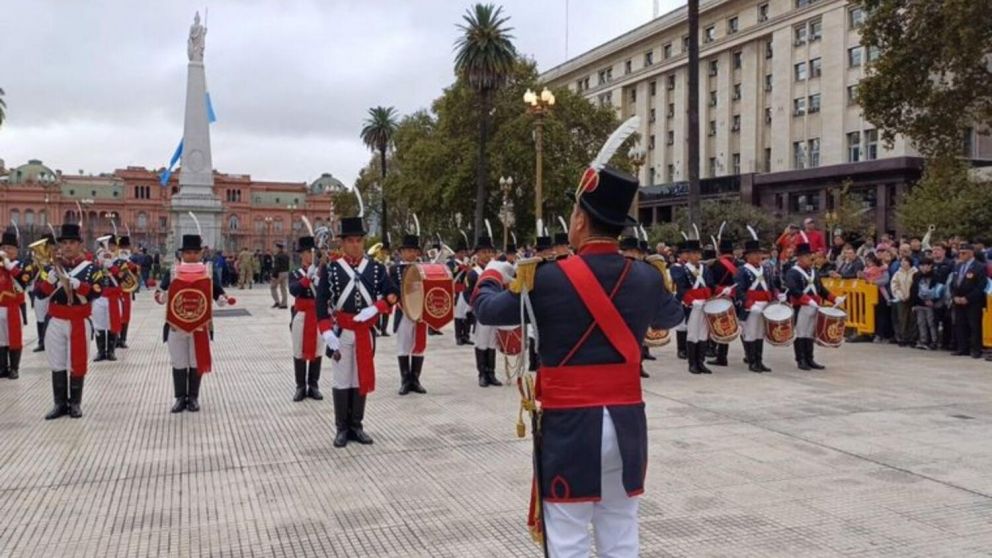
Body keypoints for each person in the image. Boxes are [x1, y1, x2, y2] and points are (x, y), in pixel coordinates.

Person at [472, 159, 683, 558]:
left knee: (567, 539)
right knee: (621, 534)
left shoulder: (545, 278)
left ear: (581, 221)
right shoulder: (647, 276)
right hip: (626, 425)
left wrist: (490, 273)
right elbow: (672, 316)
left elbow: (487, 310)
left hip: (569, 427)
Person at [315, 215, 398, 448]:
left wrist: (375, 309)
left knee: (359, 377)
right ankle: (342, 428)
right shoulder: (331, 269)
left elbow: (392, 295)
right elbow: (321, 303)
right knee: (342, 379)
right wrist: (325, 332)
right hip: (340, 332)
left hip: (364, 331)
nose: (355, 245)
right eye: (350, 241)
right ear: (342, 243)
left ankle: (357, 425)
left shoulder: (376, 268)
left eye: (359, 241)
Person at [155, 234, 233, 413]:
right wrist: (162, 297)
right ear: (182, 254)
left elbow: (218, 293)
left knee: (195, 361)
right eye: (188, 252)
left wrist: (222, 299)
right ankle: (180, 398)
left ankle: (194, 398)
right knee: (178, 362)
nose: (191, 256)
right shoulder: (173, 271)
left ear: (200, 254)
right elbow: (159, 293)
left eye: (195, 252)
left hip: (200, 325)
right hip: (176, 324)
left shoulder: (208, 271)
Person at [35, 223, 104, 419]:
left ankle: (75, 403)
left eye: (72, 242)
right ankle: (59, 404)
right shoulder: (51, 267)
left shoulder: (91, 269)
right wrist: (49, 281)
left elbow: (97, 291)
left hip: (78, 320)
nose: (67, 246)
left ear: (80, 245)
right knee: (57, 362)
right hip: (56, 320)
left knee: (77, 362)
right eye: (64, 243)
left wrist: (79, 285)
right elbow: (39, 294)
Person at [785, 241, 843, 370]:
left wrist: (834, 298)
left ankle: (810, 358)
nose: (810, 258)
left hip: (814, 306)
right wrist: (806, 300)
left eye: (810, 256)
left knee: (810, 333)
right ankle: (801, 360)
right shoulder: (792, 272)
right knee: (800, 333)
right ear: (799, 258)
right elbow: (794, 290)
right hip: (801, 306)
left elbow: (821, 290)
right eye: (807, 256)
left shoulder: (814, 272)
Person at [390, 234, 429, 395]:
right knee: (404, 345)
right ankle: (405, 380)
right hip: (404, 311)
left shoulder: (424, 269)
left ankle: (416, 379)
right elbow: (392, 289)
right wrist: (401, 303)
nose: (411, 253)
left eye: (414, 250)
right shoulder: (394, 269)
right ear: (402, 252)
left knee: (419, 346)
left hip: (420, 313)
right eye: (408, 250)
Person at [288, 235, 324, 402]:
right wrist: (306, 279)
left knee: (318, 349)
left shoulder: (322, 272)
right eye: (307, 253)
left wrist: (317, 280)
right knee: (298, 349)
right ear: (301, 254)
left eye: (313, 253)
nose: (310, 256)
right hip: (301, 315)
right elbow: (294, 290)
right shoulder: (295, 273)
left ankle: (314, 385)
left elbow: (327, 294)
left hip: (317, 314)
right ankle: (300, 386)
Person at [670, 240, 714, 374]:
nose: (696, 256)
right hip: (692, 306)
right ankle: (692, 363)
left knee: (703, 334)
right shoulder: (682, 269)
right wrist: (691, 301)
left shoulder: (704, 268)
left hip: (705, 304)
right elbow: (681, 289)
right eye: (693, 253)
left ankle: (701, 362)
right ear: (688, 255)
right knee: (693, 334)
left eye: (698, 253)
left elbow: (710, 285)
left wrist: (719, 291)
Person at [734, 237, 777, 372]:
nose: (759, 256)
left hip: (764, 306)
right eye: (755, 253)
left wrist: (776, 295)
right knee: (751, 334)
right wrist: (750, 304)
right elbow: (739, 290)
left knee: (760, 334)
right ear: (748, 256)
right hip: (751, 307)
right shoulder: (742, 270)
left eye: (760, 253)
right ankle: (752, 361)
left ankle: (759, 361)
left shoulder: (765, 269)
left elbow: (771, 286)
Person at [466, 234, 502, 387]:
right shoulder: (473, 273)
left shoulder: (497, 271)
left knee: (492, 342)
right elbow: (467, 294)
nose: (487, 255)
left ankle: (491, 372)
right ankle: (482, 373)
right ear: (478, 254)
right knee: (481, 341)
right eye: (484, 252)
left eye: (489, 252)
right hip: (480, 312)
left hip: (494, 311)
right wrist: (475, 308)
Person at [0, 229, 32, 380]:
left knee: (14, 338)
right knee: (0, 338)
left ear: (16, 250)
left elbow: (23, 281)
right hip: (0, 307)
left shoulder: (23, 264)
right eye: (3, 248)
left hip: (13, 307)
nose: (6, 251)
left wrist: (9, 267)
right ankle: (2, 367)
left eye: (9, 248)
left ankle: (14, 368)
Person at [949, 243, 987, 358]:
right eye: (960, 253)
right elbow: (953, 283)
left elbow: (981, 286)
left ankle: (976, 349)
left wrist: (968, 298)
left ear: (971, 253)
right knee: (960, 324)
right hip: (958, 300)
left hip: (973, 302)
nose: (961, 255)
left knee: (974, 325)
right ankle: (962, 348)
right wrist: (954, 296)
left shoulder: (980, 267)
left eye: (964, 253)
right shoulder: (958, 266)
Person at [91, 235, 124, 362]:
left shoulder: (120, 262)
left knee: (112, 325)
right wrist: (100, 265)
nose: (108, 249)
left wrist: (112, 267)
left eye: (111, 246)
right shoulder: (96, 263)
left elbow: (124, 278)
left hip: (114, 297)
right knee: (99, 324)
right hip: (100, 297)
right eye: (106, 246)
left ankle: (111, 351)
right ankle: (100, 351)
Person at [707, 240, 737, 367]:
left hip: (717, 296)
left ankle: (713, 350)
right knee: (727, 326)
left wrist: (718, 290)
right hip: (733, 297)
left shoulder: (715, 264)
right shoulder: (738, 263)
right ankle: (723, 356)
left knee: (715, 324)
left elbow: (710, 283)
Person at [31, 233, 56, 353]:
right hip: (40, 290)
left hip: (53, 291)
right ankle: (42, 342)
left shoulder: (57, 257)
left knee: (53, 317)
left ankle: (52, 341)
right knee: (40, 318)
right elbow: (30, 275)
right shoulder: (35, 259)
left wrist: (51, 265)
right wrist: (37, 265)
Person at [910, 258, 942, 350]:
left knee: (931, 322)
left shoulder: (936, 276)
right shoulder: (916, 276)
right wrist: (914, 303)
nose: (924, 268)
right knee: (921, 322)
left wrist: (933, 301)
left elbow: (939, 290)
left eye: (926, 265)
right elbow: (913, 290)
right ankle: (923, 340)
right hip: (919, 303)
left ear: (930, 266)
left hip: (930, 303)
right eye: (921, 266)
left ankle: (934, 341)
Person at [449, 239, 473, 346]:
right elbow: (451, 272)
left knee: (467, 313)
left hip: (467, 290)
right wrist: (460, 267)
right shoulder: (452, 263)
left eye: (464, 252)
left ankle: (466, 335)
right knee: (458, 314)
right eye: (461, 252)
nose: (463, 254)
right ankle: (458, 336)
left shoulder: (469, 263)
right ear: (457, 253)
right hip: (458, 290)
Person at [890, 255, 917, 346]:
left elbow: (915, 286)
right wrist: (901, 295)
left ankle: (912, 338)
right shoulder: (898, 273)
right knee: (902, 318)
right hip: (901, 298)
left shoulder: (915, 272)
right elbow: (894, 285)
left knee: (912, 318)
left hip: (912, 299)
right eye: (902, 261)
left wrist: (910, 296)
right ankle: (902, 337)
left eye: (905, 261)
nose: (903, 263)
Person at [270, 243, 289, 308]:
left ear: (278, 248)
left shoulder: (277, 256)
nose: (275, 249)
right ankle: (284, 304)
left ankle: (277, 302)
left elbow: (277, 266)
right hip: (286, 272)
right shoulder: (286, 256)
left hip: (279, 273)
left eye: (275, 248)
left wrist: (274, 275)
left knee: (273, 287)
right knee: (283, 289)